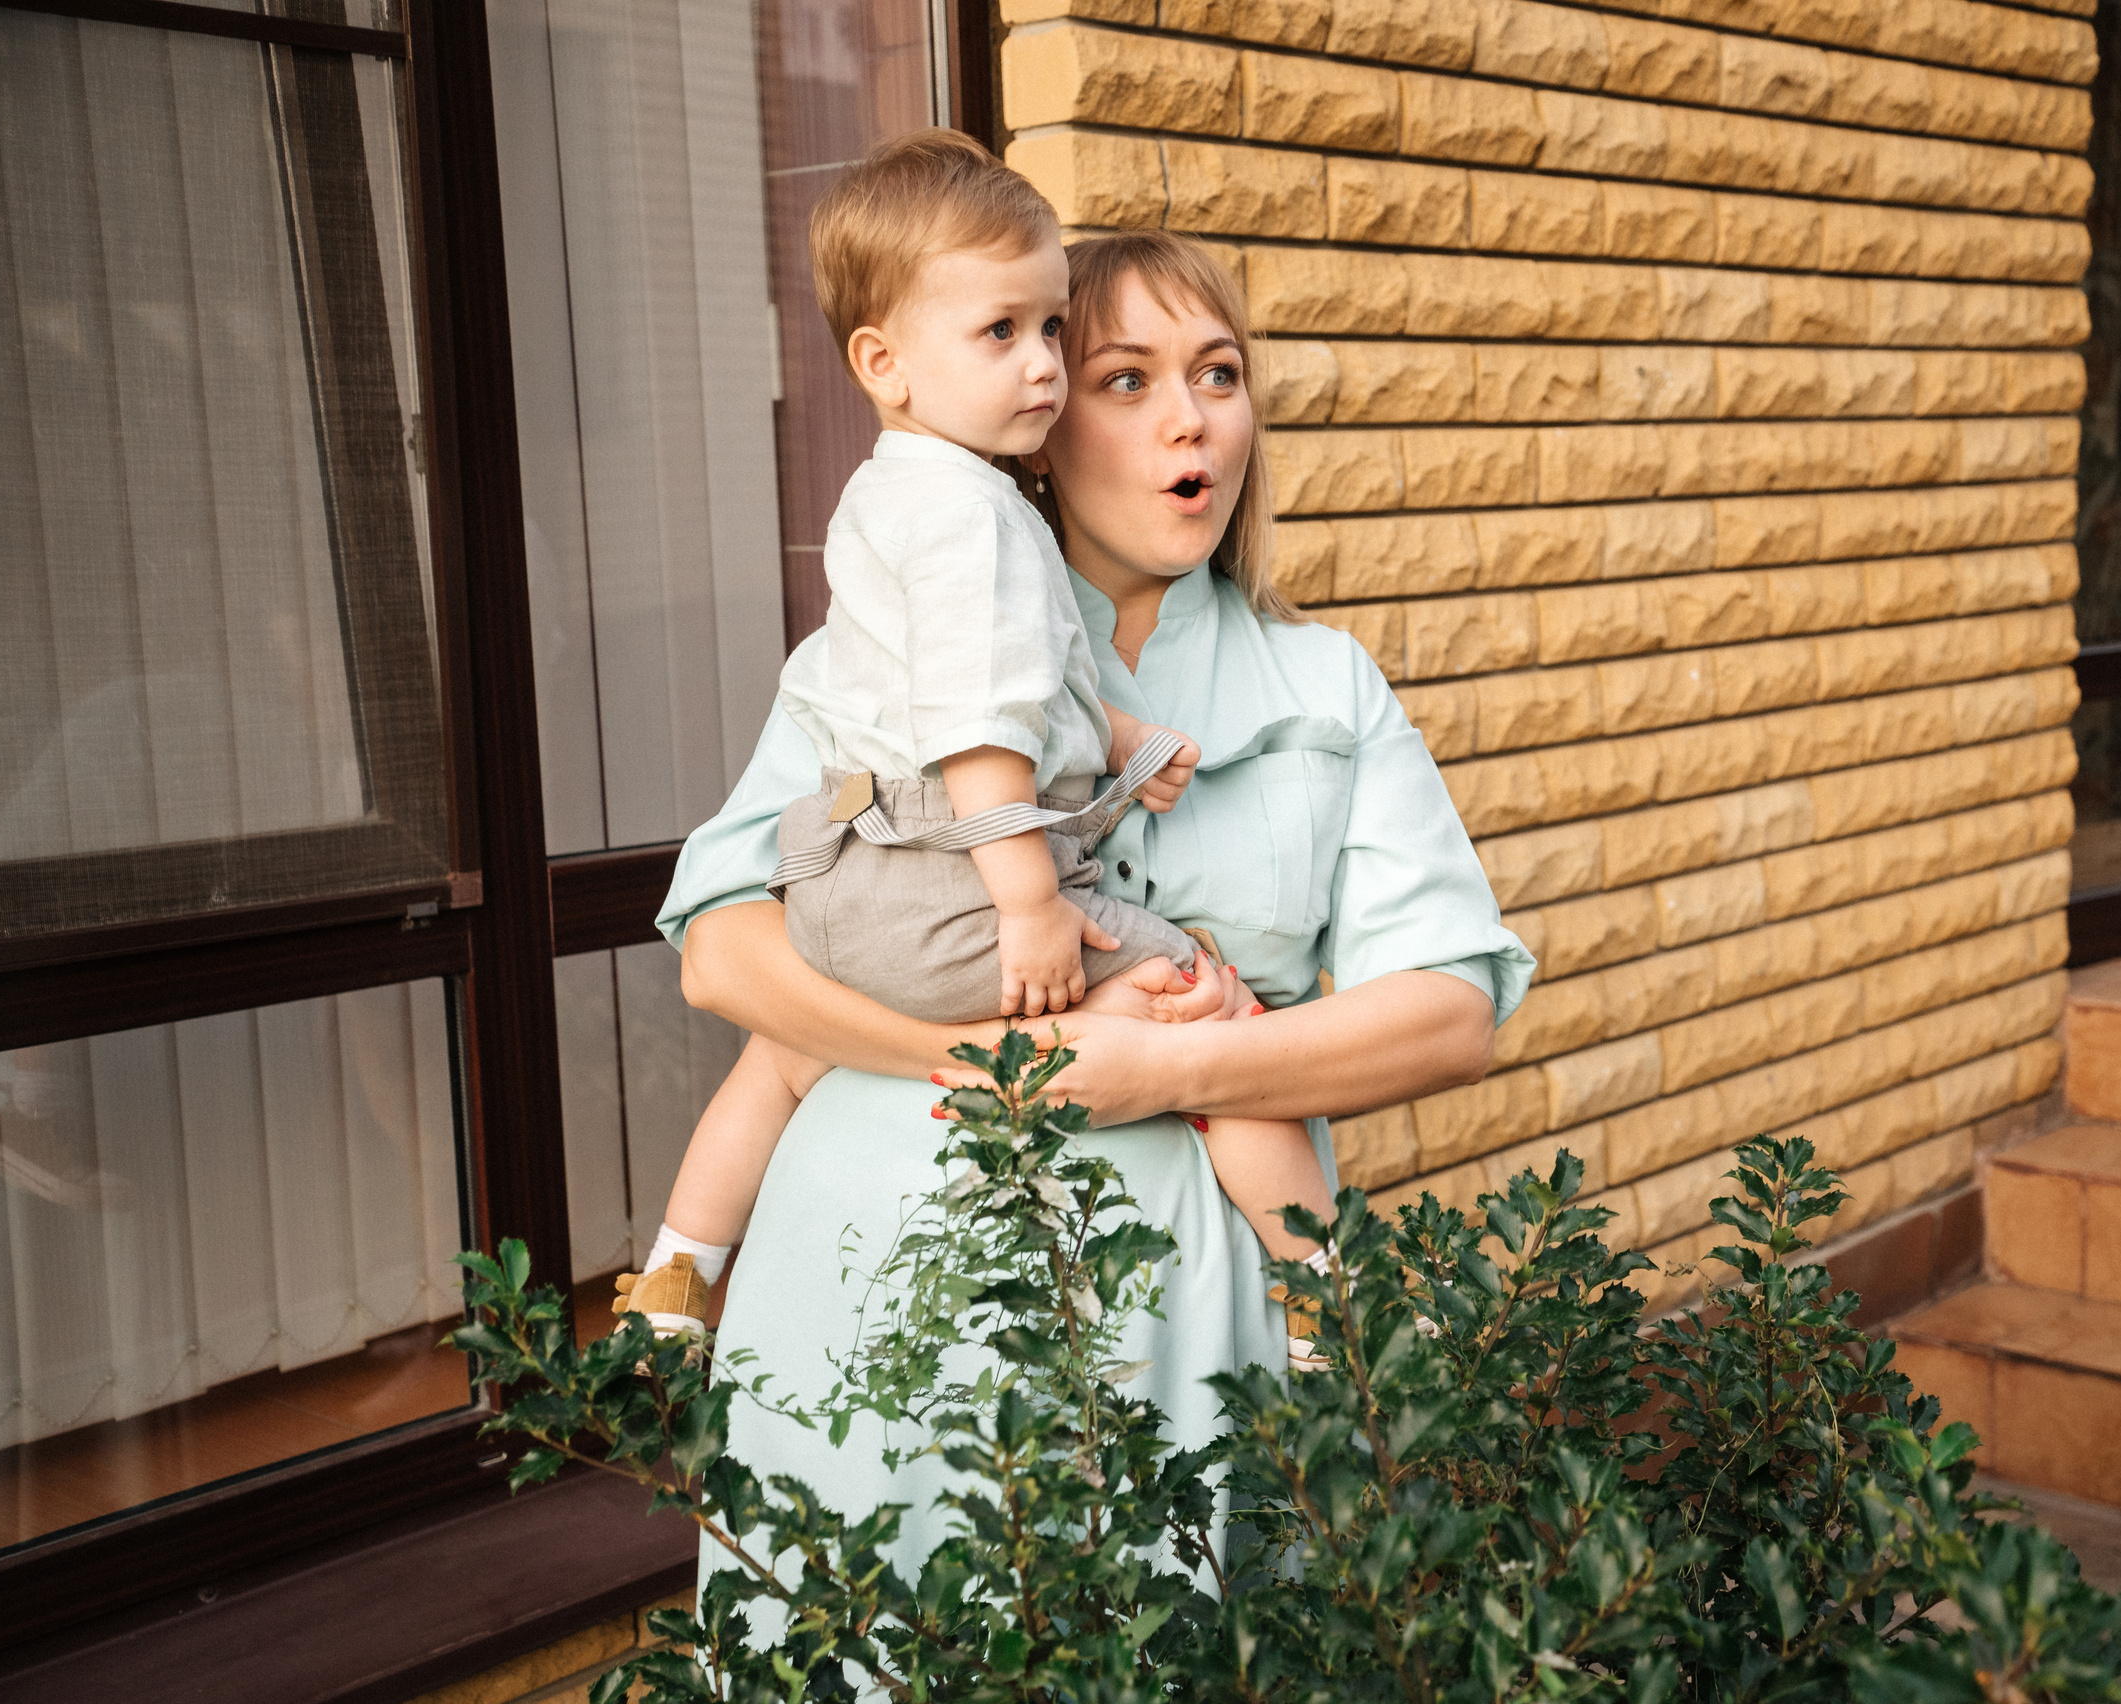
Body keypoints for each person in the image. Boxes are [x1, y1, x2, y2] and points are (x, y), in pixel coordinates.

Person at [656, 225, 1535, 1591]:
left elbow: (1449, 1015)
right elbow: (724, 952)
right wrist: (988, 1061)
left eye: (1219, 374)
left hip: (1201, 1341)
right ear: (1043, 419)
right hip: (864, 1298)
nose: (1193, 418)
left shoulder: (1326, 687)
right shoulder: (877, 652)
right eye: (1127, 378)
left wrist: (1166, 1069)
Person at [615, 132, 1333, 1340]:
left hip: (843, 879)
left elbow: (980, 682)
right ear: (883, 362)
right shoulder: (976, 519)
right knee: (1210, 1011)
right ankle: (1324, 1297)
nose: (1040, 362)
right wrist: (1030, 903)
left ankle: (677, 1277)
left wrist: (1121, 737)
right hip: (958, 884)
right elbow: (976, 725)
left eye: (1049, 328)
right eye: (1000, 332)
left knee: (778, 1056)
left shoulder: (887, 495)